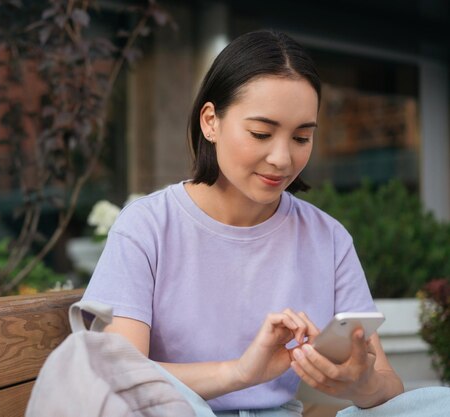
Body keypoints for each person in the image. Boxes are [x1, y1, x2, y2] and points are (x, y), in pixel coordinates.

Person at [82, 30, 407, 416]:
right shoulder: (148, 225)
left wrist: (363, 384)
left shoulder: (328, 238)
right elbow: (120, 376)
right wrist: (239, 373)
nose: (282, 158)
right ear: (210, 122)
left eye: (302, 137)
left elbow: (390, 386)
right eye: (261, 133)